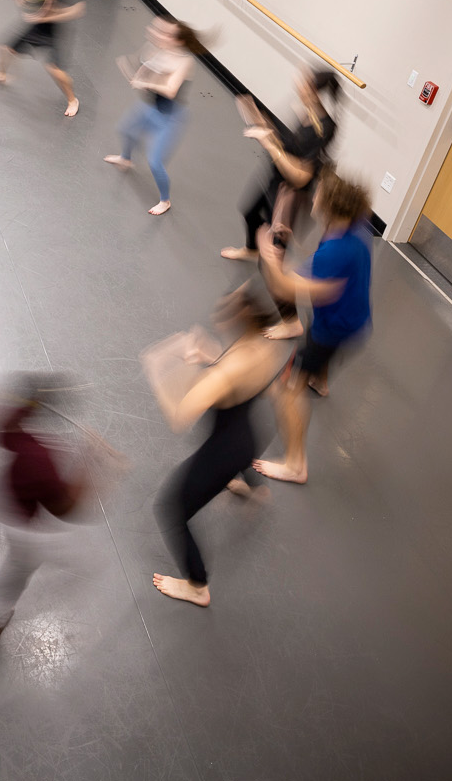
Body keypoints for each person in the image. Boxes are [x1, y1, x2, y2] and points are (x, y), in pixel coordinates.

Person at [146, 287, 291, 607]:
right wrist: (209, 356)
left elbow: (179, 416)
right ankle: (256, 489)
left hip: (225, 451)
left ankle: (197, 586)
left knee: (171, 509)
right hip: (248, 437)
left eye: (230, 301)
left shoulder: (225, 373)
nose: (222, 303)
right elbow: (238, 376)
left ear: (242, 315)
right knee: (239, 451)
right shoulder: (262, 344)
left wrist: (159, 366)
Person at [0, 372, 123, 642]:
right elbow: (65, 508)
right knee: (21, 569)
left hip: (4, 501)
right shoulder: (39, 461)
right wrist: (92, 464)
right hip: (26, 529)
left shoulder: (8, 424)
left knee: (26, 563)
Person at [252, 169, 373, 485]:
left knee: (286, 389)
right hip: (354, 322)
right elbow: (319, 264)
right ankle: (320, 381)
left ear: (329, 205)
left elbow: (286, 288)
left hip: (333, 330)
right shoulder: (353, 229)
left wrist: (268, 254)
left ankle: (295, 465)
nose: (314, 197)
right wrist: (291, 245)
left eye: (318, 193)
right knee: (318, 345)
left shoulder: (335, 252)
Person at [222, 69, 342, 335]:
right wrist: (259, 118)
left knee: (271, 264)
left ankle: (292, 321)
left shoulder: (325, 128)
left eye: (305, 83)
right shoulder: (306, 113)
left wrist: (270, 145)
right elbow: (289, 145)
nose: (299, 84)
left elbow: (300, 176)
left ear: (316, 93)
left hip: (290, 196)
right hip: (275, 180)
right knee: (249, 212)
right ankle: (251, 249)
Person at [104, 17, 207, 217]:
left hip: (170, 117)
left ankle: (165, 200)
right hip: (151, 108)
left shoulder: (185, 62)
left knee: (155, 162)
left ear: (179, 41)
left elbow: (170, 90)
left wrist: (145, 83)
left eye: (167, 34)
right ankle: (126, 159)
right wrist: (140, 75)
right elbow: (146, 70)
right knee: (125, 130)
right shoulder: (159, 51)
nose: (161, 35)